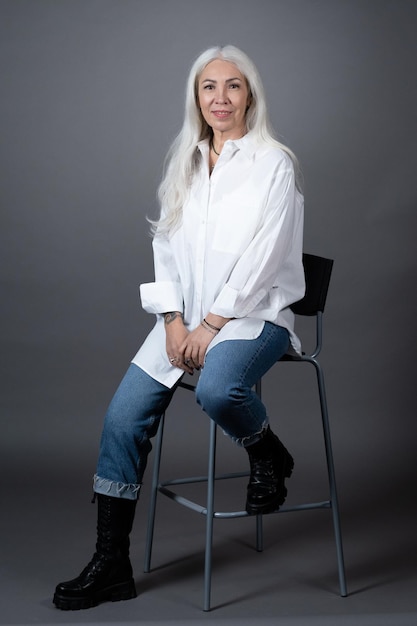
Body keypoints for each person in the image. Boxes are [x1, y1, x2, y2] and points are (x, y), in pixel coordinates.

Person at [53, 44, 305, 611]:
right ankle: (112, 563)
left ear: (251, 95)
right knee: (121, 420)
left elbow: (265, 259)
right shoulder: (186, 162)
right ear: (196, 97)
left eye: (233, 86)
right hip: (184, 323)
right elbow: (164, 243)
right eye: (209, 87)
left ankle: (268, 453)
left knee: (217, 390)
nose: (221, 98)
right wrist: (172, 320)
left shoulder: (274, 163)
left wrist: (212, 323)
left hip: (252, 316)